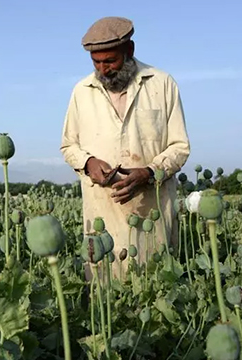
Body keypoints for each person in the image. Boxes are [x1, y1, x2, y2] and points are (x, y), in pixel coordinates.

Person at [60, 17, 190, 275]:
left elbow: (179, 146)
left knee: (153, 287)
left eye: (110, 61)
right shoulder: (82, 91)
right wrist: (88, 162)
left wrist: (149, 172)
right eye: (96, 62)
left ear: (129, 50)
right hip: (102, 211)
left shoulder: (162, 84)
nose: (103, 69)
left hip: (150, 211)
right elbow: (68, 146)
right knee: (105, 295)